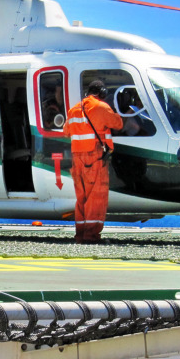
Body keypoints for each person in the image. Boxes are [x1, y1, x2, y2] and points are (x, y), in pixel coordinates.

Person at [64, 79, 124, 244]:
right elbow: (118, 124)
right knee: (95, 197)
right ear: (102, 93)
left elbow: (66, 131)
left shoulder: (74, 109)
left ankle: (81, 235)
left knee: (81, 197)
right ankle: (91, 236)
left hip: (77, 157)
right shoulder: (101, 107)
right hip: (95, 156)